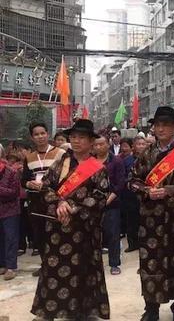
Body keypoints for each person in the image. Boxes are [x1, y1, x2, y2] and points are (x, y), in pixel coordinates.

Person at [31, 119, 111, 320]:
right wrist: (59, 203)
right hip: (58, 228)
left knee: (82, 271)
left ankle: (82, 312)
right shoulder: (62, 161)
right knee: (53, 269)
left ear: (91, 142)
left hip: (83, 231)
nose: (76, 141)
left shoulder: (98, 168)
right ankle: (50, 310)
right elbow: (46, 187)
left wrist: (74, 209)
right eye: (73, 137)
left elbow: (100, 196)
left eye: (81, 137)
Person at [129, 106, 174, 321]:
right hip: (152, 221)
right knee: (152, 263)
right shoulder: (146, 154)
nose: (160, 129)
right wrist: (146, 191)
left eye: (165, 125)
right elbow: (133, 181)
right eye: (157, 125)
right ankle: (151, 309)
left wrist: (169, 190)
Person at [22, 123, 66, 276]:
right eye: (36, 134)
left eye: (43, 133)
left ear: (48, 134)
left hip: (54, 201)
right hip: (35, 202)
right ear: (32, 137)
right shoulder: (29, 157)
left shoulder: (60, 153)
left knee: (56, 234)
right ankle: (45, 265)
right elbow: (24, 180)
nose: (40, 137)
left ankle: (59, 266)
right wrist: (29, 183)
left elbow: (65, 177)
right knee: (39, 235)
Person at [93, 135, 126, 275]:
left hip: (112, 203)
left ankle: (114, 264)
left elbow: (120, 183)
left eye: (102, 144)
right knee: (94, 235)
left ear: (108, 144)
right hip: (93, 204)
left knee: (113, 234)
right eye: (96, 145)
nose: (99, 147)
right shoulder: (90, 161)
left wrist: (108, 199)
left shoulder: (116, 161)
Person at [0, 152, 21, 281]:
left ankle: (11, 267)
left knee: (10, 238)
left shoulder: (11, 171)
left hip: (10, 210)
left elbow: (15, 192)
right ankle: (2, 264)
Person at [122, 136, 145, 252]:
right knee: (131, 220)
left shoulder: (149, 159)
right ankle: (132, 243)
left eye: (143, 144)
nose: (141, 146)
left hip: (146, 196)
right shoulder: (127, 161)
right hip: (130, 196)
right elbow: (123, 178)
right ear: (133, 147)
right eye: (138, 144)